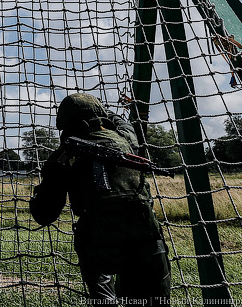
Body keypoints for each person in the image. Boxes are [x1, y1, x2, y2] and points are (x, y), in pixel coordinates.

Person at [29, 93, 171, 305]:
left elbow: (44, 214)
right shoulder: (126, 140)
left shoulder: (63, 158)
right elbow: (122, 123)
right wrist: (105, 112)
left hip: (100, 251)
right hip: (148, 245)